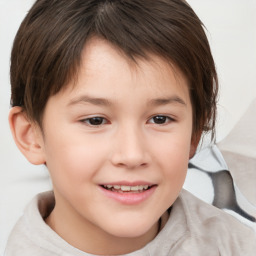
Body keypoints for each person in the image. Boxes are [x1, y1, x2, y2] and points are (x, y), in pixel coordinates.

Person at [5, 0, 256, 255]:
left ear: (195, 132)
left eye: (160, 119)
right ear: (31, 136)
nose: (132, 155)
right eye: (95, 120)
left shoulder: (238, 245)